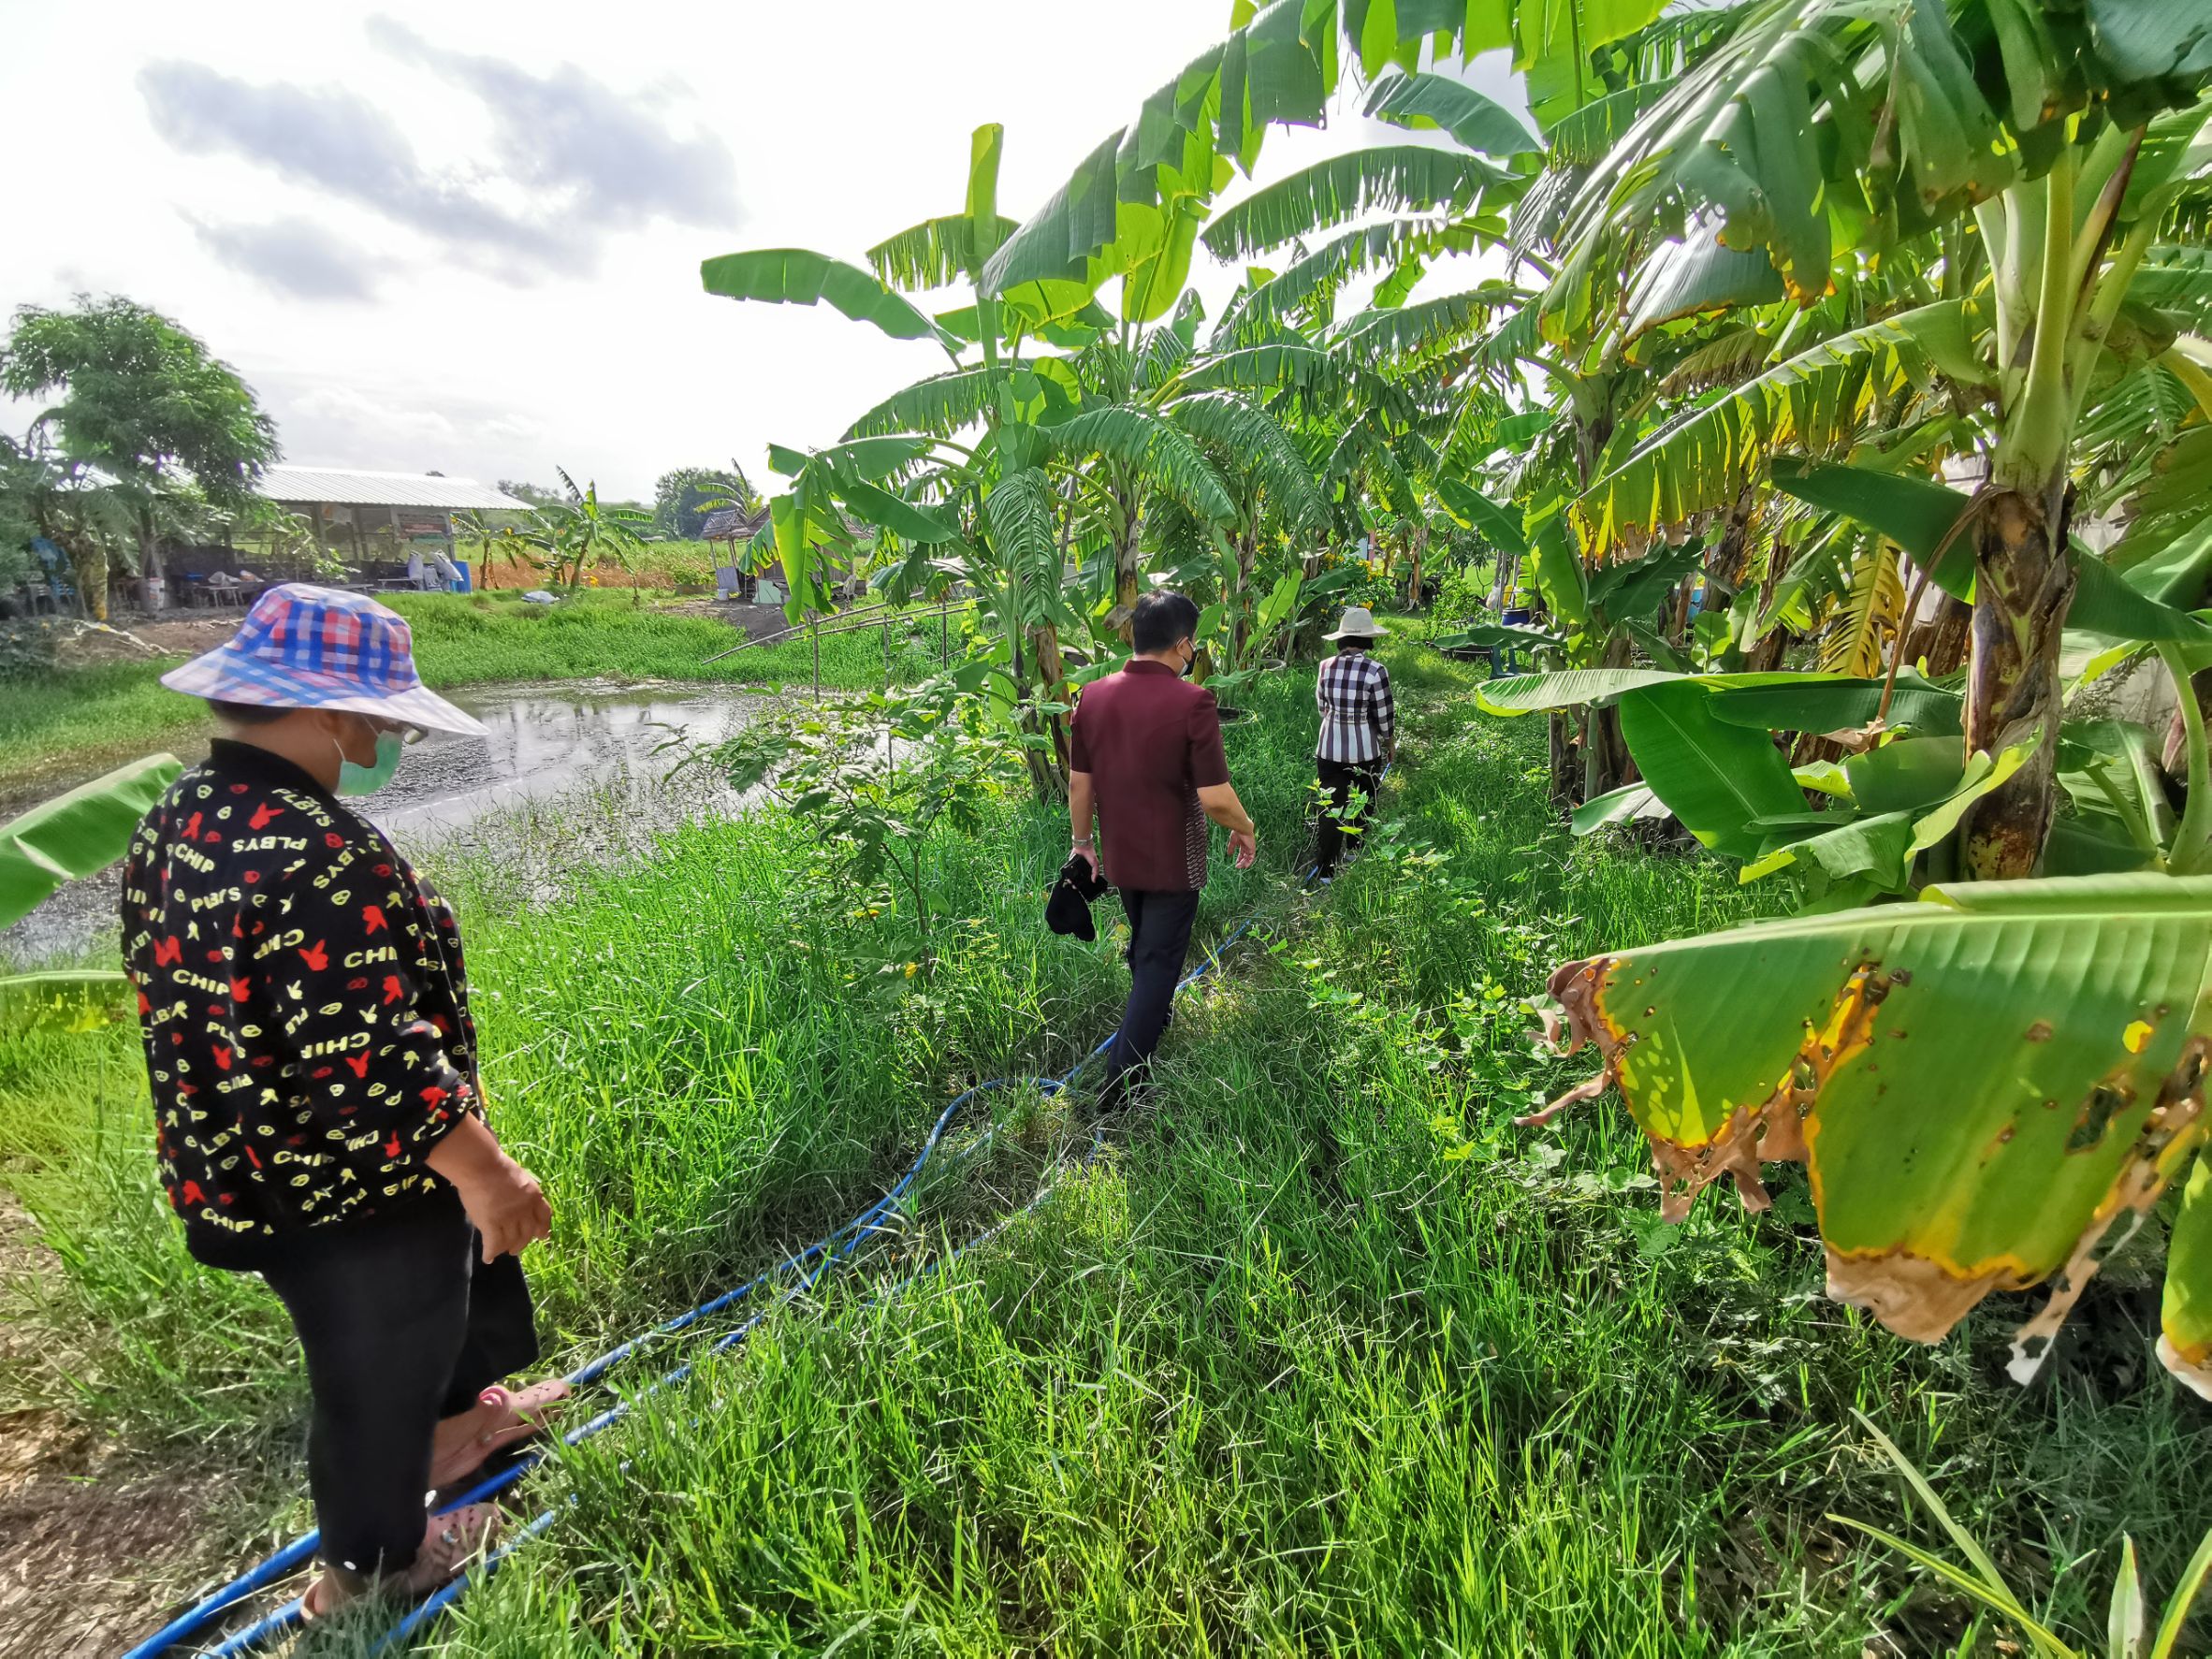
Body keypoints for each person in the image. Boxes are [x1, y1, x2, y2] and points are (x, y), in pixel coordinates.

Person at [121, 584, 562, 1618]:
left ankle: (457, 1437)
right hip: (349, 1190)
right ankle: (369, 1570)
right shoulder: (318, 856)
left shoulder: (181, 819)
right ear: (328, 714)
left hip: (252, 1163)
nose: (383, 736)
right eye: (377, 716)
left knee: (427, 1322)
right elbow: (371, 1057)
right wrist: (489, 1176)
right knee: (372, 1376)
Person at [1067, 590, 1259, 1111]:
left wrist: (1083, 845)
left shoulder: (1092, 696)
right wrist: (1246, 828)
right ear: (1182, 645)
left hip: (1122, 855)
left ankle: (1151, 1016)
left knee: (1146, 949)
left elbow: (1079, 786)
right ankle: (1121, 1087)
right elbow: (1215, 798)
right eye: (1192, 644)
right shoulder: (1191, 701)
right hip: (1176, 858)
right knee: (1157, 959)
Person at [1313, 605, 1396, 878]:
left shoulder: (1326, 667)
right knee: (1363, 800)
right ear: (1368, 639)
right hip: (1364, 750)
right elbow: (1383, 714)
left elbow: (1323, 707)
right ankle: (1354, 850)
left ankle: (1325, 870)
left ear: (1342, 638)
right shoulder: (1375, 671)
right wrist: (1390, 742)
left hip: (1328, 747)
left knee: (1330, 806)